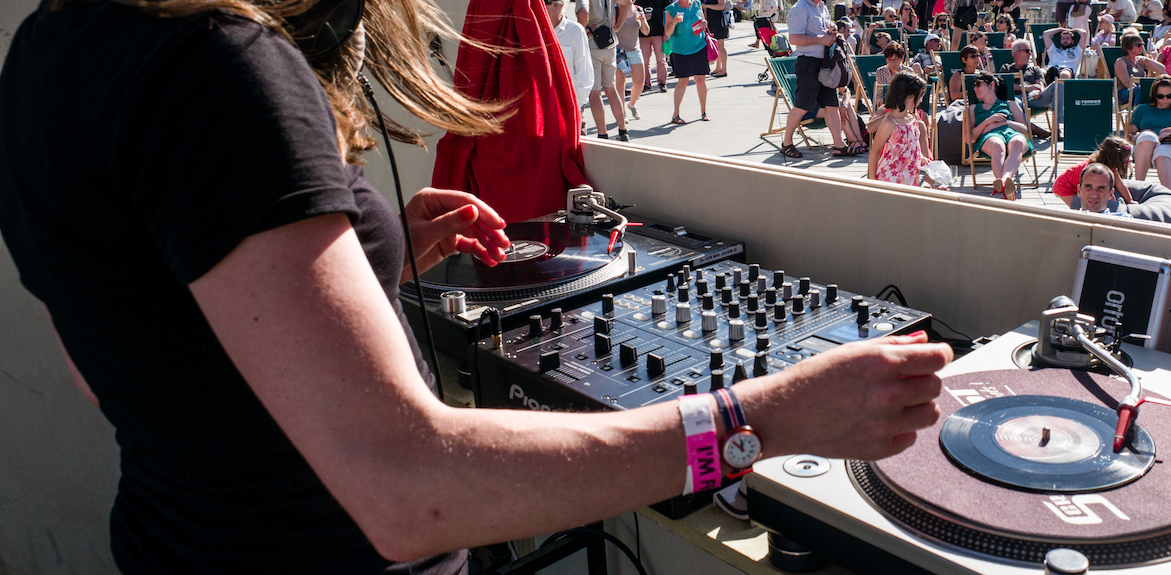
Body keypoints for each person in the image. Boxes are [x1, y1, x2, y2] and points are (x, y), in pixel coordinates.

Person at [0, 1, 958, 573]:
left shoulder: (45, 50)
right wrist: (760, 419)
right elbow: (407, 487)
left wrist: (336, 259)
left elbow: (123, 355)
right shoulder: (218, 62)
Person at [779, 0, 850, 157]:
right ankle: (787, 143)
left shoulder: (821, 7)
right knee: (802, 105)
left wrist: (831, 30)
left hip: (824, 62)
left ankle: (839, 144)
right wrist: (820, 39)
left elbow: (822, 28)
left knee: (832, 104)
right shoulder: (800, 8)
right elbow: (794, 38)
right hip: (808, 63)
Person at [965, 72, 1033, 199]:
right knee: (997, 144)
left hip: (1011, 133)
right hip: (989, 138)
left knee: (1017, 141)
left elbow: (1025, 130)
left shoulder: (1010, 104)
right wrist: (988, 122)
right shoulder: (974, 108)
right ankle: (1006, 184)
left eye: (978, 84)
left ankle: (1003, 181)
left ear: (991, 85)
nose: (974, 89)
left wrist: (1005, 122)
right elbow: (969, 138)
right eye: (974, 86)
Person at [870, 73, 939, 186]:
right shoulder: (890, 123)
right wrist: (872, 180)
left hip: (911, 176)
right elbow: (875, 151)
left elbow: (912, 144)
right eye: (920, 96)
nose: (921, 100)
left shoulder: (912, 117)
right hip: (890, 178)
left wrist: (921, 157)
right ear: (908, 96)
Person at [579, 0, 634, 141]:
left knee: (595, 92)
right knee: (611, 89)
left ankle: (602, 134)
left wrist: (581, 31)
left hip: (593, 42)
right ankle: (623, 131)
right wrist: (617, 27)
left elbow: (584, 12)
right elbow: (627, 3)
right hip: (609, 40)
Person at [1126, 75, 1171, 189]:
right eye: (1160, 96)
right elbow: (1129, 137)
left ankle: (1167, 194)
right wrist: (1136, 137)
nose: (1165, 100)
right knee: (1148, 136)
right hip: (1145, 148)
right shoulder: (1142, 109)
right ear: (1154, 95)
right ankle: (1138, 188)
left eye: (1169, 96)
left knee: (1162, 150)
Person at [665, 0, 713, 125]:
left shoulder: (697, 4)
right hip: (681, 50)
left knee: (701, 80)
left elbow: (702, 23)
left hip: (699, 47)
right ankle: (676, 114)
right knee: (683, 81)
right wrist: (674, 22)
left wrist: (704, 24)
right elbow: (668, 32)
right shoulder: (671, 9)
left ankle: (704, 111)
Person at [1052, 136, 1136, 206]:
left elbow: (1119, 184)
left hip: (1077, 183)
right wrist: (1114, 204)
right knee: (1080, 207)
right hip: (1064, 186)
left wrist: (1130, 200)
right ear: (1115, 160)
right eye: (1126, 161)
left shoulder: (1111, 166)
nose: (1128, 162)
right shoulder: (1094, 171)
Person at [999, 39, 1055, 139]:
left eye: (1030, 51)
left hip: (1034, 98)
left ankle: (1057, 126)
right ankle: (1030, 127)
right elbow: (1005, 85)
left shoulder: (1034, 69)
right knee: (1011, 103)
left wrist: (1038, 91)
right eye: (1027, 51)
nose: (1030, 54)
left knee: (1057, 85)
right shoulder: (1006, 68)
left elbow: (1040, 84)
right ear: (1016, 53)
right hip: (1015, 98)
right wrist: (1027, 88)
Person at [552, 0, 595, 115]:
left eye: (547, 1)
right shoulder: (533, 31)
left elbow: (585, 75)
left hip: (567, 107)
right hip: (541, 108)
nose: (541, 4)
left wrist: (574, 106)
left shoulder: (575, 31)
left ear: (559, 5)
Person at [616, 4, 651, 122]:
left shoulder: (638, 9)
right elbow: (613, 28)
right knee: (620, 84)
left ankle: (631, 104)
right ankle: (622, 113)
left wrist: (643, 20)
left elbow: (646, 31)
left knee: (640, 82)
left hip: (635, 50)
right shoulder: (615, 9)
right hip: (619, 51)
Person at [1114, 34, 1166, 106]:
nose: (1142, 47)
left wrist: (1148, 60)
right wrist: (1145, 92)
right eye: (1138, 45)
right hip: (1124, 94)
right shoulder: (1121, 61)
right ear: (1128, 47)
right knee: (1141, 90)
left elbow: (1162, 69)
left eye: (1142, 44)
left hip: (1140, 91)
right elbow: (1127, 83)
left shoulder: (1140, 61)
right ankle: (1137, 113)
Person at [636, 0, 672, 91]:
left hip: (658, 32)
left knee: (661, 59)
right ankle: (646, 83)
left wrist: (666, 32)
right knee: (644, 60)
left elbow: (668, 11)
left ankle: (662, 82)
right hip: (642, 33)